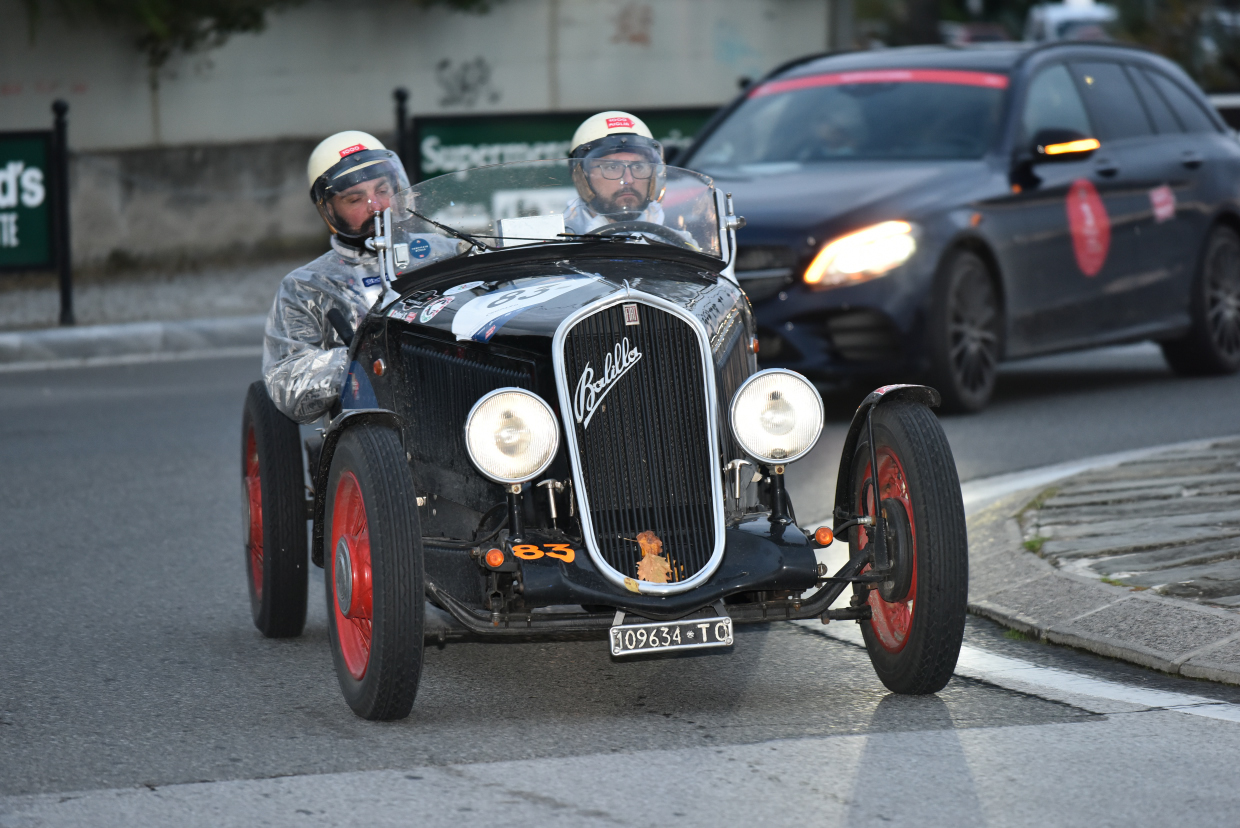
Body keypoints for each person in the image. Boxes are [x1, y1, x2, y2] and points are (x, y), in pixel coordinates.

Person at [262, 130, 409, 423]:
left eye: (382, 190)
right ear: (329, 210)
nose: (376, 207)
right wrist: (358, 357)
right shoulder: (306, 286)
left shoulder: (448, 252)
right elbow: (287, 386)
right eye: (355, 199)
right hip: (373, 428)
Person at [563, 111, 678, 237]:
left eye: (638, 167)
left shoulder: (679, 241)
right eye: (612, 167)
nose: (629, 180)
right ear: (581, 177)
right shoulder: (556, 240)